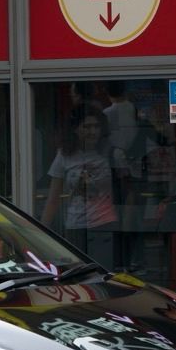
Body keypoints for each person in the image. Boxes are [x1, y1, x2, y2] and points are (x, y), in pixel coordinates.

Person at [42, 113, 120, 268]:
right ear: (75, 130)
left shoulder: (110, 153)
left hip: (104, 223)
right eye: (87, 126)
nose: (93, 131)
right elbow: (53, 198)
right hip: (75, 225)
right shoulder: (65, 155)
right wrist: (40, 233)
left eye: (96, 126)